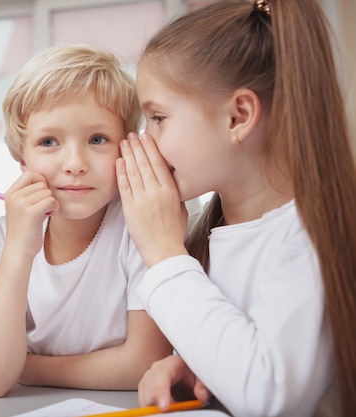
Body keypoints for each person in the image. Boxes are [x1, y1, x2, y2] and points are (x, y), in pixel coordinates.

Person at [115, 0, 356, 416]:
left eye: (158, 117)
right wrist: (193, 366)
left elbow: (272, 395)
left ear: (238, 117)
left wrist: (164, 254)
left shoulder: (310, 236)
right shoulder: (211, 233)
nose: (143, 141)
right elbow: (243, 346)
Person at [0, 44, 172, 398]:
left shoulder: (138, 223)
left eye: (97, 139)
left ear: (127, 146)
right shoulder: (11, 231)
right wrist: (19, 249)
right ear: (22, 159)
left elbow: (142, 362)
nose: (75, 163)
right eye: (49, 142)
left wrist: (30, 370)